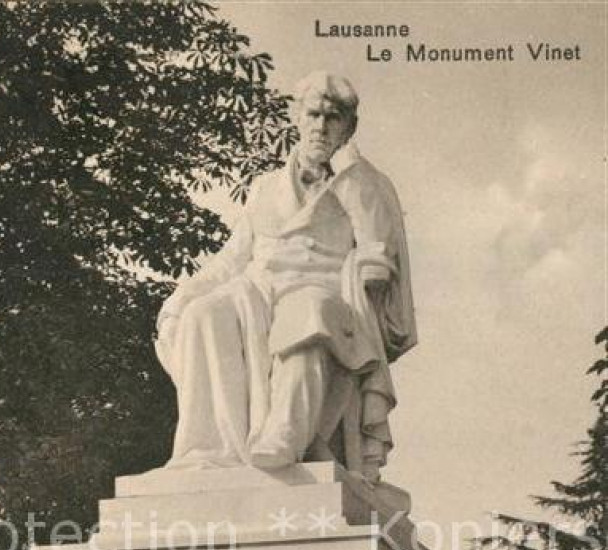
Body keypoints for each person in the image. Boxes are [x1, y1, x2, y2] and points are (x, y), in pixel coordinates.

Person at [156, 71, 416, 484]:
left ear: (348, 128)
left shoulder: (363, 183)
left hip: (327, 292)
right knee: (204, 314)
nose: (321, 126)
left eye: (333, 118)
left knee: (308, 313)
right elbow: (233, 257)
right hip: (258, 289)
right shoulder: (266, 187)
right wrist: (183, 295)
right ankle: (207, 449)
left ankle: (286, 435)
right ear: (297, 118)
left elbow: (377, 250)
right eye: (314, 114)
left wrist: (352, 186)